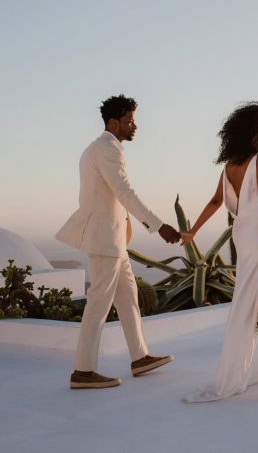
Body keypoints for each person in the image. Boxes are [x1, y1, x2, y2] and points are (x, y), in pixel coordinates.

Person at [181, 102, 258, 402]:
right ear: (257, 131)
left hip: (242, 235)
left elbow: (215, 202)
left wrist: (193, 231)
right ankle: (233, 375)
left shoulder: (230, 166)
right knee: (248, 307)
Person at [56, 95, 179, 389]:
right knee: (98, 304)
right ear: (114, 123)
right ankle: (83, 370)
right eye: (129, 121)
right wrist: (159, 226)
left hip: (113, 241)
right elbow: (125, 192)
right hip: (104, 240)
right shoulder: (107, 150)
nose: (135, 126)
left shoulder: (98, 148)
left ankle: (140, 357)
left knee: (128, 298)